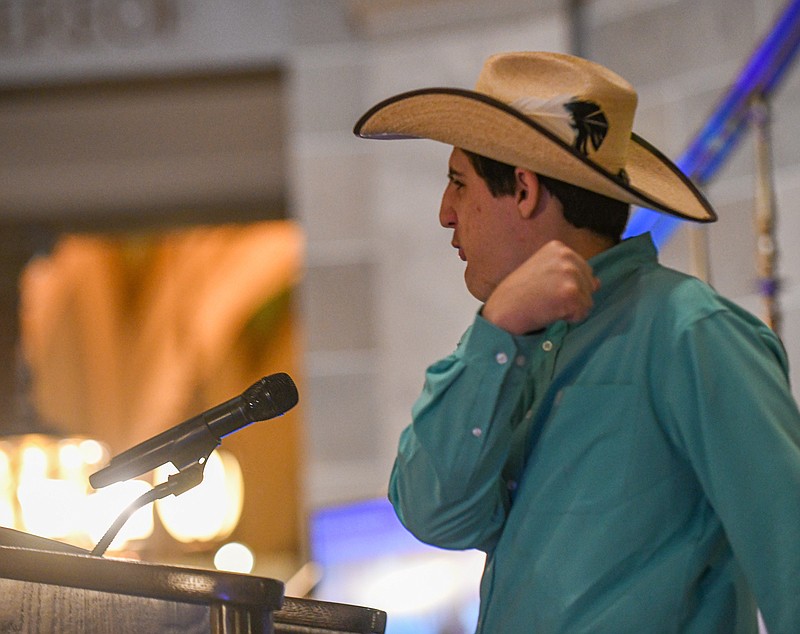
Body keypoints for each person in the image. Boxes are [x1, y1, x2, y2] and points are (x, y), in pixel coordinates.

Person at [353, 51, 800, 633]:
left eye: (459, 184)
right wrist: (499, 331)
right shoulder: (504, 342)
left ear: (523, 189)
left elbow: (790, 554)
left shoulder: (691, 331)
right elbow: (433, 513)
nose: (446, 213)